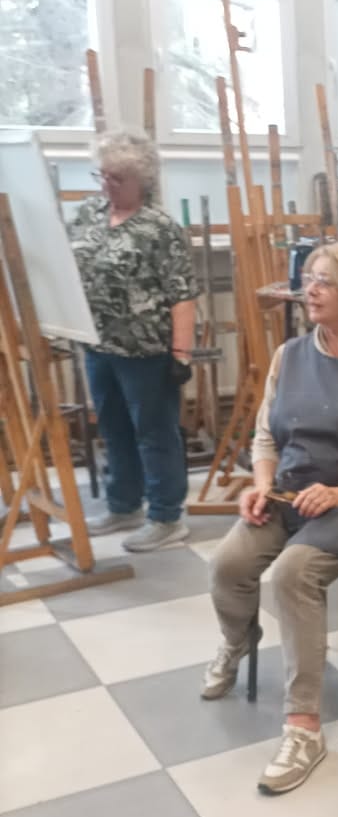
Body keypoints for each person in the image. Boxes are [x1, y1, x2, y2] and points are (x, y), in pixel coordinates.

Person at [203, 245, 338, 795]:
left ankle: (303, 727)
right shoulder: (291, 355)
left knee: (293, 573)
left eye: (325, 281)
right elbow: (266, 434)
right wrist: (260, 485)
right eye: (308, 280)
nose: (311, 291)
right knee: (228, 564)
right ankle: (238, 638)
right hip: (289, 492)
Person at [69, 130, 197, 553]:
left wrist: (181, 353)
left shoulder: (160, 228)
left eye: (117, 178)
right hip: (98, 344)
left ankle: (166, 516)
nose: (107, 184)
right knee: (113, 427)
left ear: (142, 180)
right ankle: (124, 505)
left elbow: (182, 294)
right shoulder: (88, 214)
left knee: (154, 432)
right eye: (102, 175)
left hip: (146, 350)